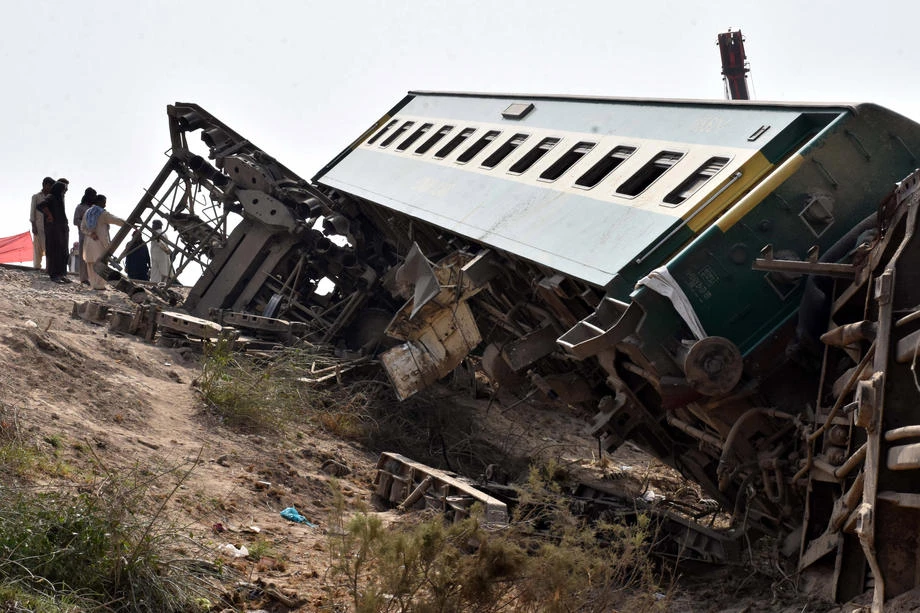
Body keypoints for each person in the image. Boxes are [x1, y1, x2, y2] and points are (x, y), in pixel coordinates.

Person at [80, 194, 127, 290]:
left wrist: (90, 233)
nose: (105, 205)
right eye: (104, 203)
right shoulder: (102, 213)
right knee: (101, 264)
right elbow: (116, 220)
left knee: (91, 264)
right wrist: (128, 223)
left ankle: (94, 284)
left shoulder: (87, 212)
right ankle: (99, 285)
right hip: (99, 243)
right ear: (99, 202)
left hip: (89, 243)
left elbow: (82, 228)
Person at [35, 178, 70, 283]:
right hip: (53, 231)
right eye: (63, 189)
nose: (65, 191)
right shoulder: (52, 197)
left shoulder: (59, 198)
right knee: (54, 252)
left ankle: (62, 274)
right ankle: (54, 275)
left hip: (62, 230)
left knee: (63, 252)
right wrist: (49, 215)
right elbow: (40, 206)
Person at [72, 187, 97, 285]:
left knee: (93, 257)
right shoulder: (80, 207)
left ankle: (93, 277)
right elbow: (75, 221)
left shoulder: (95, 208)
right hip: (84, 236)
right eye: (92, 195)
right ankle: (84, 278)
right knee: (84, 258)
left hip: (94, 237)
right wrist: (85, 221)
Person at [29, 177, 54, 269]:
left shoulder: (51, 198)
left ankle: (49, 267)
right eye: (49, 185)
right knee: (37, 248)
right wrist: (33, 225)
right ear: (44, 185)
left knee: (49, 247)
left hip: (49, 227)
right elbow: (32, 212)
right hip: (38, 226)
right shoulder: (36, 197)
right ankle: (36, 266)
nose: (50, 187)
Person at [149, 219, 173, 284]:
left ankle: (156, 284)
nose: (152, 226)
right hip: (160, 255)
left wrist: (167, 250)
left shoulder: (158, 233)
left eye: (153, 225)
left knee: (159, 271)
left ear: (157, 225)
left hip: (159, 255)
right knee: (162, 270)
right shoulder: (162, 233)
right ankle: (159, 283)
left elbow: (161, 243)